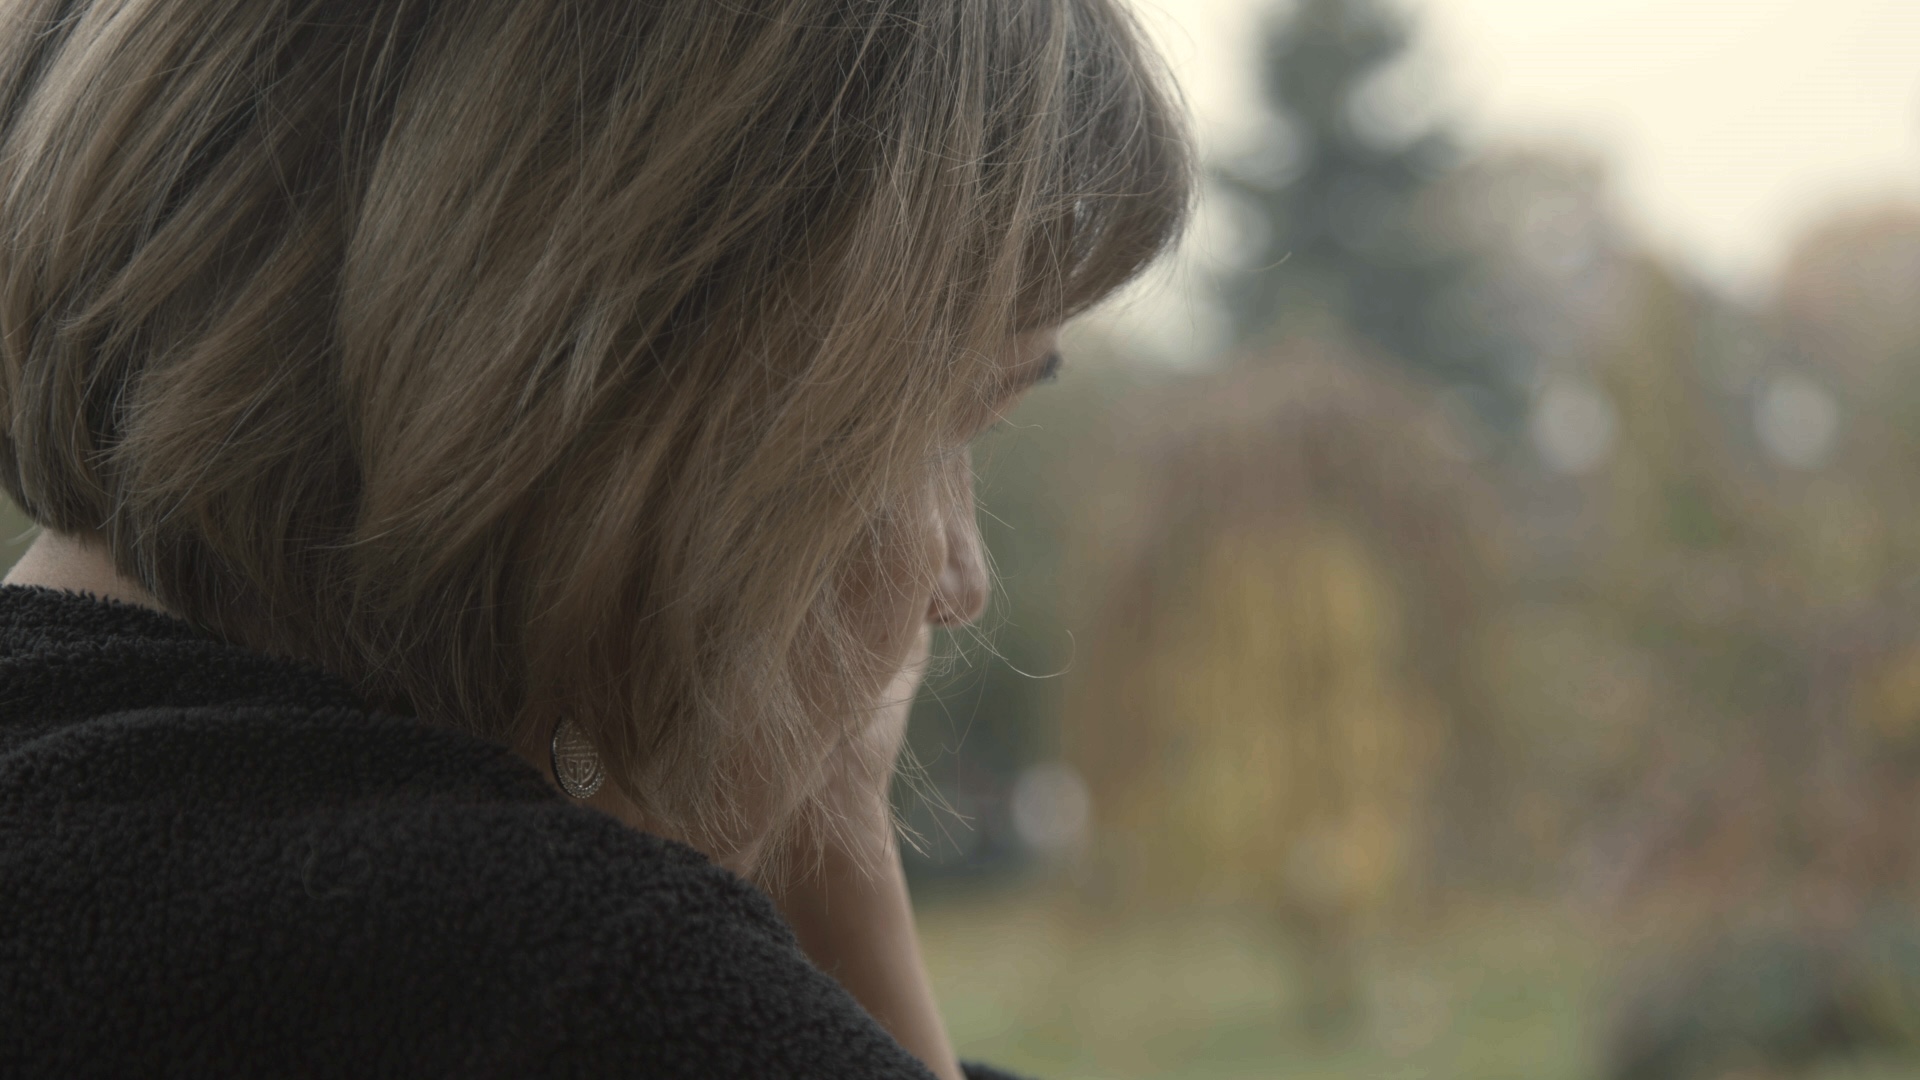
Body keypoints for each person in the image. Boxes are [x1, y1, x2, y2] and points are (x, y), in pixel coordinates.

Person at [0, 0, 1188, 1076]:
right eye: (946, 426)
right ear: (643, 416)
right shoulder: (567, 990)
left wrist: (838, 864)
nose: (959, 580)